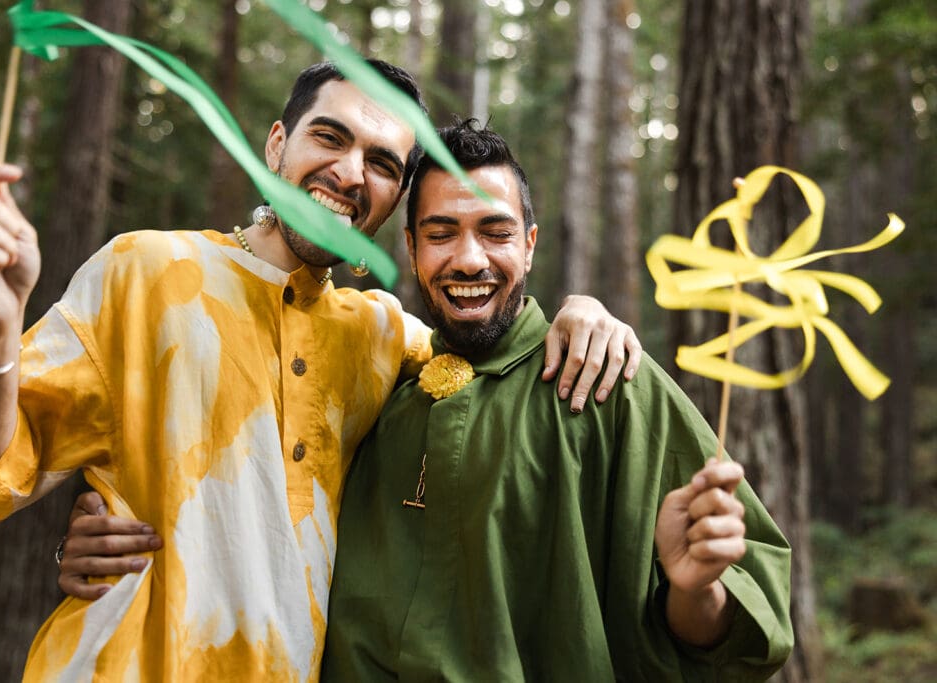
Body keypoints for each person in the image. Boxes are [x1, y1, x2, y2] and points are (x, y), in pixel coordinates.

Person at [0, 61, 640, 681]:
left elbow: (495, 365)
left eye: (384, 164)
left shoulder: (385, 336)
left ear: (394, 207)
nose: (350, 173)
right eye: (331, 136)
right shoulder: (143, 270)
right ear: (277, 144)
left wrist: (581, 310)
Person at [61, 120, 793, 680]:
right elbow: (246, 504)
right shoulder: (375, 384)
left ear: (530, 245)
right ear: (411, 250)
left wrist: (697, 590)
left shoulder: (604, 382)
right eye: (441, 233)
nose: (469, 259)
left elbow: (738, 636)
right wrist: (94, 542)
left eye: (495, 232)